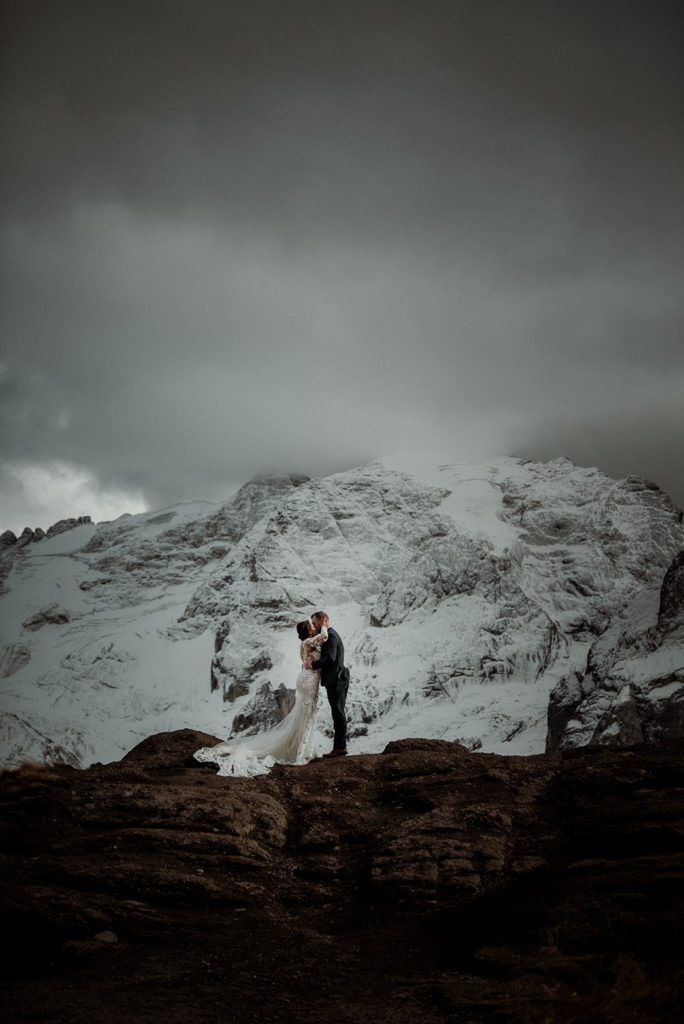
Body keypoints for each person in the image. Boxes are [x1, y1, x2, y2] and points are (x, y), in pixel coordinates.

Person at [193, 620, 326, 776]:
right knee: (308, 713)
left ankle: (302, 747)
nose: (313, 627)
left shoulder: (305, 643)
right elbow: (324, 635)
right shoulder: (309, 642)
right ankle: (301, 751)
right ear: (308, 631)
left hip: (307, 678)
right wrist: (324, 623)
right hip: (309, 681)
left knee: (304, 713)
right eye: (311, 626)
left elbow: (306, 660)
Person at [308, 610, 350, 757]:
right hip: (336, 678)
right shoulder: (328, 635)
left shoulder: (331, 636)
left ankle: (340, 748)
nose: (313, 626)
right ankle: (339, 747)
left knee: (338, 711)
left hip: (337, 678)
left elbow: (330, 659)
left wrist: (312, 664)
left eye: (314, 623)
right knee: (337, 711)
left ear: (323, 620)